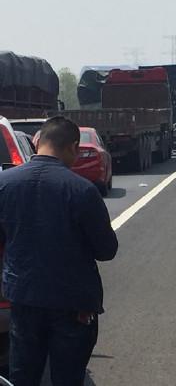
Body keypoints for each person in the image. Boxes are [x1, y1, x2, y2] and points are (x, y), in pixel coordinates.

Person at [0, 116, 118, 386]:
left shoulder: (5, 184)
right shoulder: (82, 191)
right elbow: (106, 250)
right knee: (68, 377)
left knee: (24, 376)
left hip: (23, 299)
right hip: (72, 305)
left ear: (37, 141)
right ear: (73, 147)